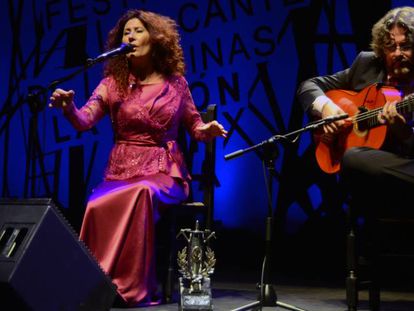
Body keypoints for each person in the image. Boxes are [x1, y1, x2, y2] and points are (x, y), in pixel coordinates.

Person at [49, 9, 227, 307]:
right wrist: (68, 108)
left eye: (137, 31)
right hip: (120, 171)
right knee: (96, 202)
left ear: (156, 38)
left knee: (141, 193)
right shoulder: (112, 83)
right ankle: (94, 284)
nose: (129, 36)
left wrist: (206, 130)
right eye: (125, 33)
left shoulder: (176, 83)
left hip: (163, 172)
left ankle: (129, 289)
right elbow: (84, 120)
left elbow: (194, 126)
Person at [297, 6, 414, 212]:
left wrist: (404, 133)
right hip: (372, 178)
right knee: (349, 158)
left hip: (404, 168)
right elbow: (308, 86)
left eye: (405, 46)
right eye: (390, 46)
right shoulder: (367, 64)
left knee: (352, 158)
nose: (397, 53)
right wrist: (327, 108)